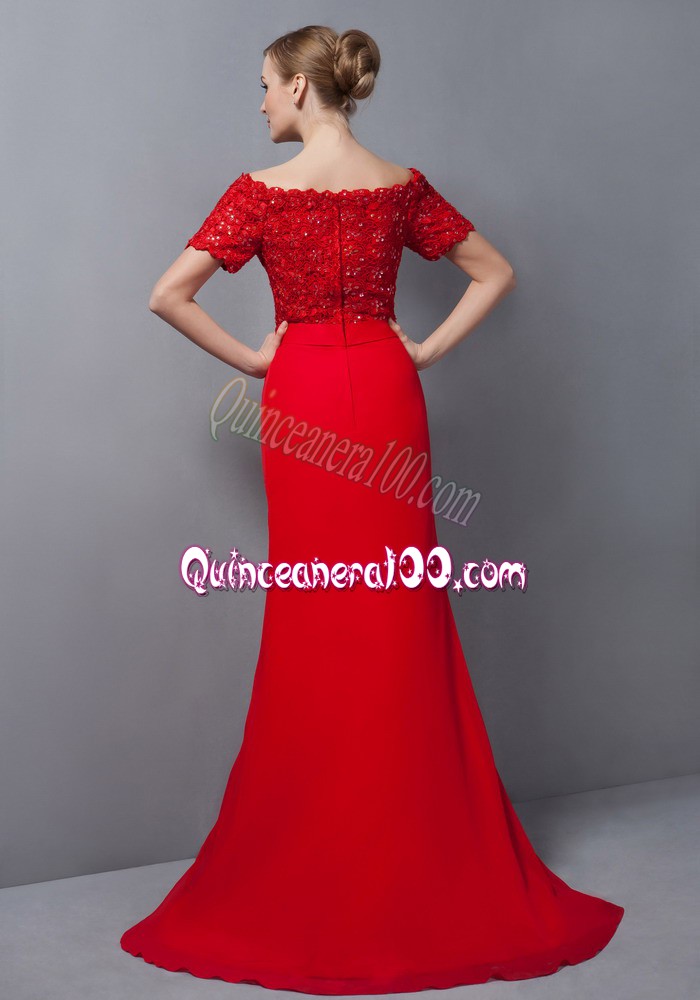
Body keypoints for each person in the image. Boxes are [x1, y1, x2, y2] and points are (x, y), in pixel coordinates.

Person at [120, 24, 624, 994]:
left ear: (300, 91)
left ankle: (324, 850)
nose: (259, 103)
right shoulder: (401, 186)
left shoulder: (259, 193)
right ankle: (418, 853)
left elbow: (168, 296)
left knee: (315, 614)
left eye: (264, 86)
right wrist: (420, 351)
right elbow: (494, 270)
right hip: (389, 393)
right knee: (399, 614)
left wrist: (258, 357)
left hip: (302, 394)